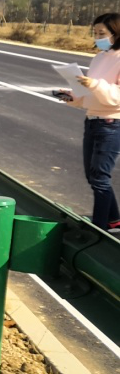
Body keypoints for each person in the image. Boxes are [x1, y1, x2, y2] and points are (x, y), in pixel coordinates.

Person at [54, 12, 120, 232]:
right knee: (93, 176)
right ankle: (114, 220)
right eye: (95, 33)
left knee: (100, 177)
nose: (98, 37)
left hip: (111, 123)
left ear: (116, 33)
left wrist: (94, 85)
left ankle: (99, 229)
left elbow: (115, 95)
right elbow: (91, 93)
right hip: (92, 120)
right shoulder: (100, 57)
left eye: (102, 33)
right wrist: (72, 96)